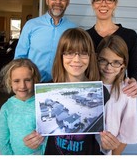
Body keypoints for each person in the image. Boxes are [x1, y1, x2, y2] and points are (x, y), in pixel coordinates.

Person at [43, 27, 120, 155]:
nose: (76, 59)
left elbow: (101, 135)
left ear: (91, 57)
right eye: (69, 52)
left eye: (83, 53)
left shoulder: (101, 92)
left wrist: (106, 144)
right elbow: (43, 129)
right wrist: (34, 141)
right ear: (60, 55)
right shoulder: (46, 91)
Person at [86, 0, 137, 97]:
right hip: (90, 95)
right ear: (92, 4)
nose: (103, 4)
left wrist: (133, 82)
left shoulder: (129, 35)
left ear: (115, 3)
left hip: (119, 94)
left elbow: (134, 68)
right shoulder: (85, 36)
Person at [14, 0, 77, 82]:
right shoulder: (31, 25)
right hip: (33, 83)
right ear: (47, 0)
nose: (58, 1)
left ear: (68, 2)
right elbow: (19, 58)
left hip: (62, 84)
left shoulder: (74, 29)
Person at [96, 35, 137, 155]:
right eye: (103, 60)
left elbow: (127, 133)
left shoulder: (127, 92)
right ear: (96, 58)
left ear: (123, 64)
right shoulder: (87, 86)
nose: (108, 67)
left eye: (116, 62)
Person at [0, 58, 46, 155]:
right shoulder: (6, 108)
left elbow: (50, 134)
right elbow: (3, 141)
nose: (22, 86)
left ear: (34, 80)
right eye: (16, 81)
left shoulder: (43, 103)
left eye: (27, 80)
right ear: (9, 82)